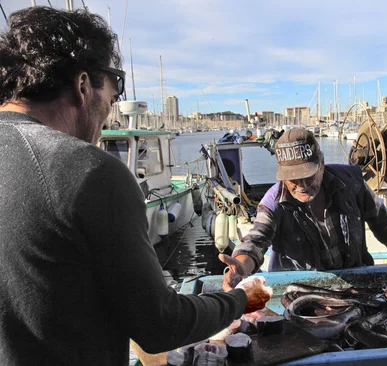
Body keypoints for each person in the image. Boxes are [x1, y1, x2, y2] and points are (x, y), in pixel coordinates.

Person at [0, 7, 270, 365]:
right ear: (83, 87)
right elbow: (160, 325)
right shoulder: (87, 171)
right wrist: (241, 299)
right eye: (111, 101)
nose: (107, 118)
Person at [219, 128, 387, 289]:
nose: (302, 185)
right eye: (293, 179)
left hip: (355, 283)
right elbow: (256, 240)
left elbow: (379, 216)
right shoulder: (273, 203)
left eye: (309, 175)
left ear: (321, 163)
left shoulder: (351, 181)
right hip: (299, 290)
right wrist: (240, 267)